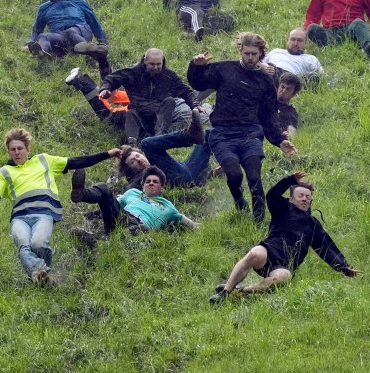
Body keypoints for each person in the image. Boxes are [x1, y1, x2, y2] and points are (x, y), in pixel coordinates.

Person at [0, 128, 120, 283]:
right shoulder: (3, 172)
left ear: (28, 149)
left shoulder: (44, 160)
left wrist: (107, 154)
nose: (16, 152)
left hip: (44, 213)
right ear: (8, 153)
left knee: (38, 244)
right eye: (12, 150)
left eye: (20, 148)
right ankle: (40, 274)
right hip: (20, 217)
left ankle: (41, 275)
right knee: (23, 244)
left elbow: (76, 161)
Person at [187, 33, 297, 223]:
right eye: (247, 53)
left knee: (254, 177)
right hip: (222, 133)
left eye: (254, 54)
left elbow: (269, 116)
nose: (250, 58)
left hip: (250, 134)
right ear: (241, 51)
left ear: (261, 54)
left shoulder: (265, 81)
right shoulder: (224, 69)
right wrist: (196, 66)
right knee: (234, 174)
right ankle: (239, 202)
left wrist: (280, 140)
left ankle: (259, 220)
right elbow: (197, 82)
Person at [209, 172, 361, 304]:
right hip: (268, 252)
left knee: (283, 278)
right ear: (290, 199)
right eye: (300, 195)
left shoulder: (314, 225)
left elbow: (327, 248)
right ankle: (225, 292)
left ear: (311, 202)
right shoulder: (282, 207)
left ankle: (240, 292)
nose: (304, 199)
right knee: (255, 252)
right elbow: (271, 195)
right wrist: (289, 180)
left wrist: (344, 267)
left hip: (285, 265)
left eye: (308, 197)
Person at [94, 48, 200, 145]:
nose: (156, 67)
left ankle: (159, 136)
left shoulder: (169, 76)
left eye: (159, 64)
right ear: (145, 61)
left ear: (163, 61)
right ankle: (131, 143)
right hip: (138, 114)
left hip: (158, 116)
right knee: (130, 113)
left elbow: (185, 91)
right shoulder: (133, 72)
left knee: (170, 101)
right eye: (152, 64)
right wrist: (105, 89)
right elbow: (112, 79)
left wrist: (195, 105)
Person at [69, 165, 196, 238]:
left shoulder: (167, 205)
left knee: (141, 229)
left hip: (140, 225)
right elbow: (111, 205)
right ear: (143, 185)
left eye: (155, 182)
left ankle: (99, 240)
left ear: (162, 188)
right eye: (148, 181)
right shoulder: (133, 193)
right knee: (103, 188)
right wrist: (86, 216)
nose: (151, 183)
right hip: (120, 218)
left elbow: (192, 224)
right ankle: (82, 193)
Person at [27, 0, 110, 77]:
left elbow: (94, 22)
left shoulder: (79, 2)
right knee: (43, 36)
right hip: (60, 37)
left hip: (80, 31)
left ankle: (91, 51)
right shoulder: (44, 8)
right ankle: (42, 53)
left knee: (71, 32)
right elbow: (37, 30)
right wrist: (30, 42)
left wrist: (103, 41)